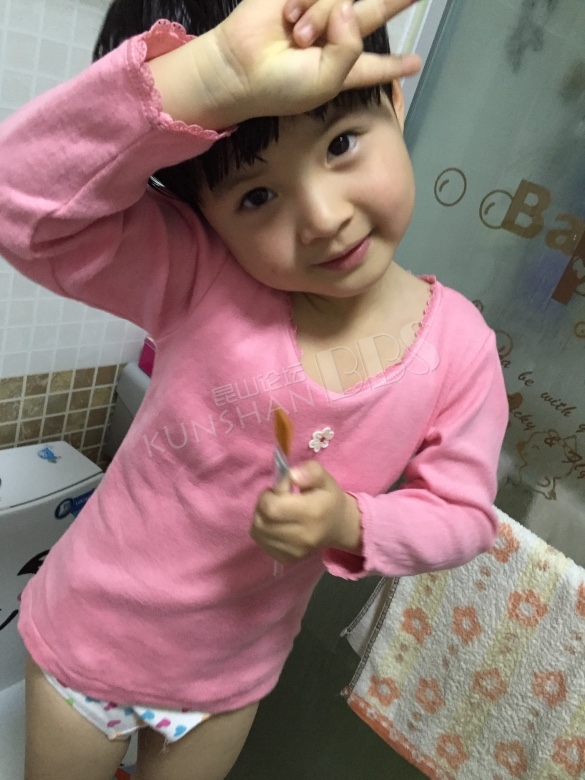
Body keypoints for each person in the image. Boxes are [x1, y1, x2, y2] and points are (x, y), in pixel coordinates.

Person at [0, 0, 509, 777]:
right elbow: (21, 204)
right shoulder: (201, 274)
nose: (324, 218)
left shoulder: (459, 347)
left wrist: (352, 521)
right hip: (86, 642)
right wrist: (209, 77)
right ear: (204, 217)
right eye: (256, 197)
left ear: (392, 99)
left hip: (225, 684)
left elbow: (464, 516)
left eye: (340, 144)